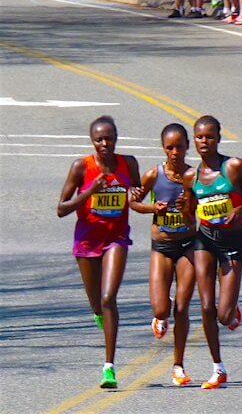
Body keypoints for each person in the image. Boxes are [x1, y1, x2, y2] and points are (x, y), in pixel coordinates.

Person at [181, 115, 242, 390]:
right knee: (206, 306)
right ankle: (218, 367)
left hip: (232, 242)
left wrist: (240, 210)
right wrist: (184, 207)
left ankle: (232, 309)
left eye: (209, 137)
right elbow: (188, 215)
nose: (204, 142)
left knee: (223, 316)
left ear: (218, 139)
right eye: (199, 137)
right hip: (204, 240)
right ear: (193, 140)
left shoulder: (234, 167)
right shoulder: (190, 177)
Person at [57, 116, 142, 389]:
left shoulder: (128, 163)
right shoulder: (81, 167)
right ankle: (99, 314)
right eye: (99, 139)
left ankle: (109, 367)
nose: (105, 143)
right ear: (92, 141)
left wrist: (137, 195)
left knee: (108, 298)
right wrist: (90, 191)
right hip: (86, 242)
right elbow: (61, 209)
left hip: (116, 237)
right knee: (97, 304)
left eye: (109, 138)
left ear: (117, 137)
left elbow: (137, 193)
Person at [129, 124, 196, 386]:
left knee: (182, 308)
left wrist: (188, 207)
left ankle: (178, 365)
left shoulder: (194, 176)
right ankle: (161, 310)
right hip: (162, 246)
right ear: (163, 148)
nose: (175, 152)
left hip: (189, 245)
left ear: (187, 146)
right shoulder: (153, 174)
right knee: (161, 308)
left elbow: (203, 211)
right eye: (169, 147)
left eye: (180, 146)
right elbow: (133, 202)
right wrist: (151, 208)